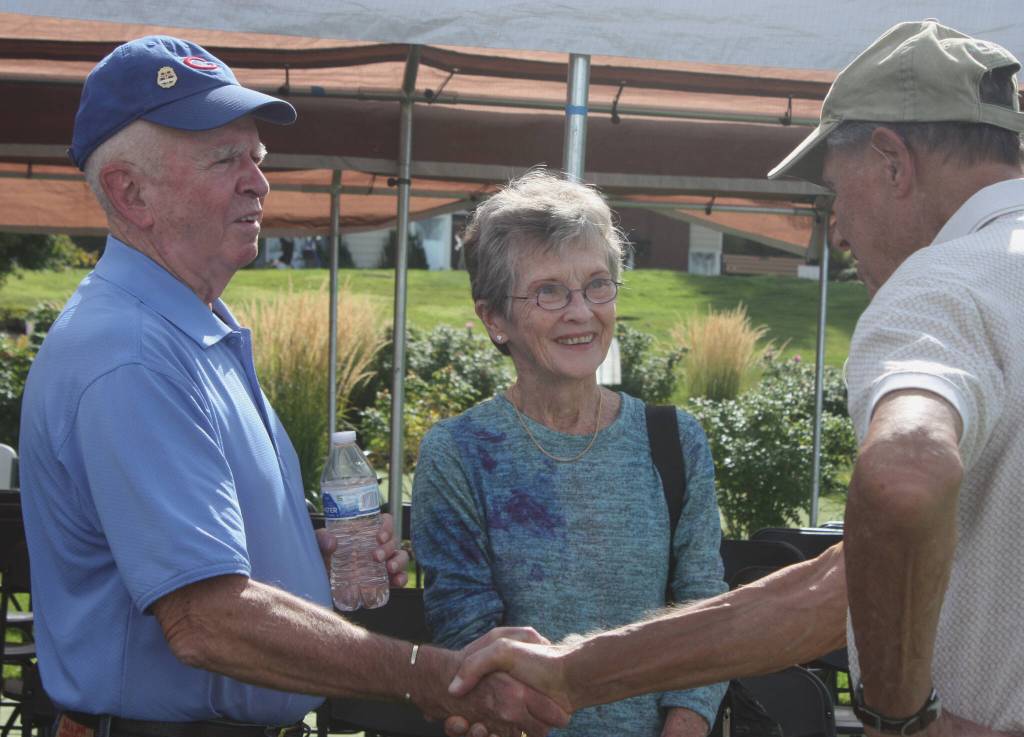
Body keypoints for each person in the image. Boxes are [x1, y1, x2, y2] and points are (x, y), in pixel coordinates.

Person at [444, 19, 1024, 737]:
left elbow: (905, 478)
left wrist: (899, 715)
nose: (837, 229)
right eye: (549, 291)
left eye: (835, 193)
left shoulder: (938, 288)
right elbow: (846, 580)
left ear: (893, 161)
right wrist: (578, 670)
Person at [18, 35, 568, 737]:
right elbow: (205, 621)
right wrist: (427, 676)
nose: (259, 182)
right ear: (131, 192)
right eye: (226, 160)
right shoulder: (132, 353)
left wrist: (307, 556)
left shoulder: (184, 326)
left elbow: (186, 560)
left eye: (258, 158)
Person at [411, 170, 728, 737]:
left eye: (597, 285)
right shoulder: (459, 452)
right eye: (549, 291)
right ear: (494, 319)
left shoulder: (674, 440)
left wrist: (685, 725)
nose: (581, 312)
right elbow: (466, 630)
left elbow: (703, 606)